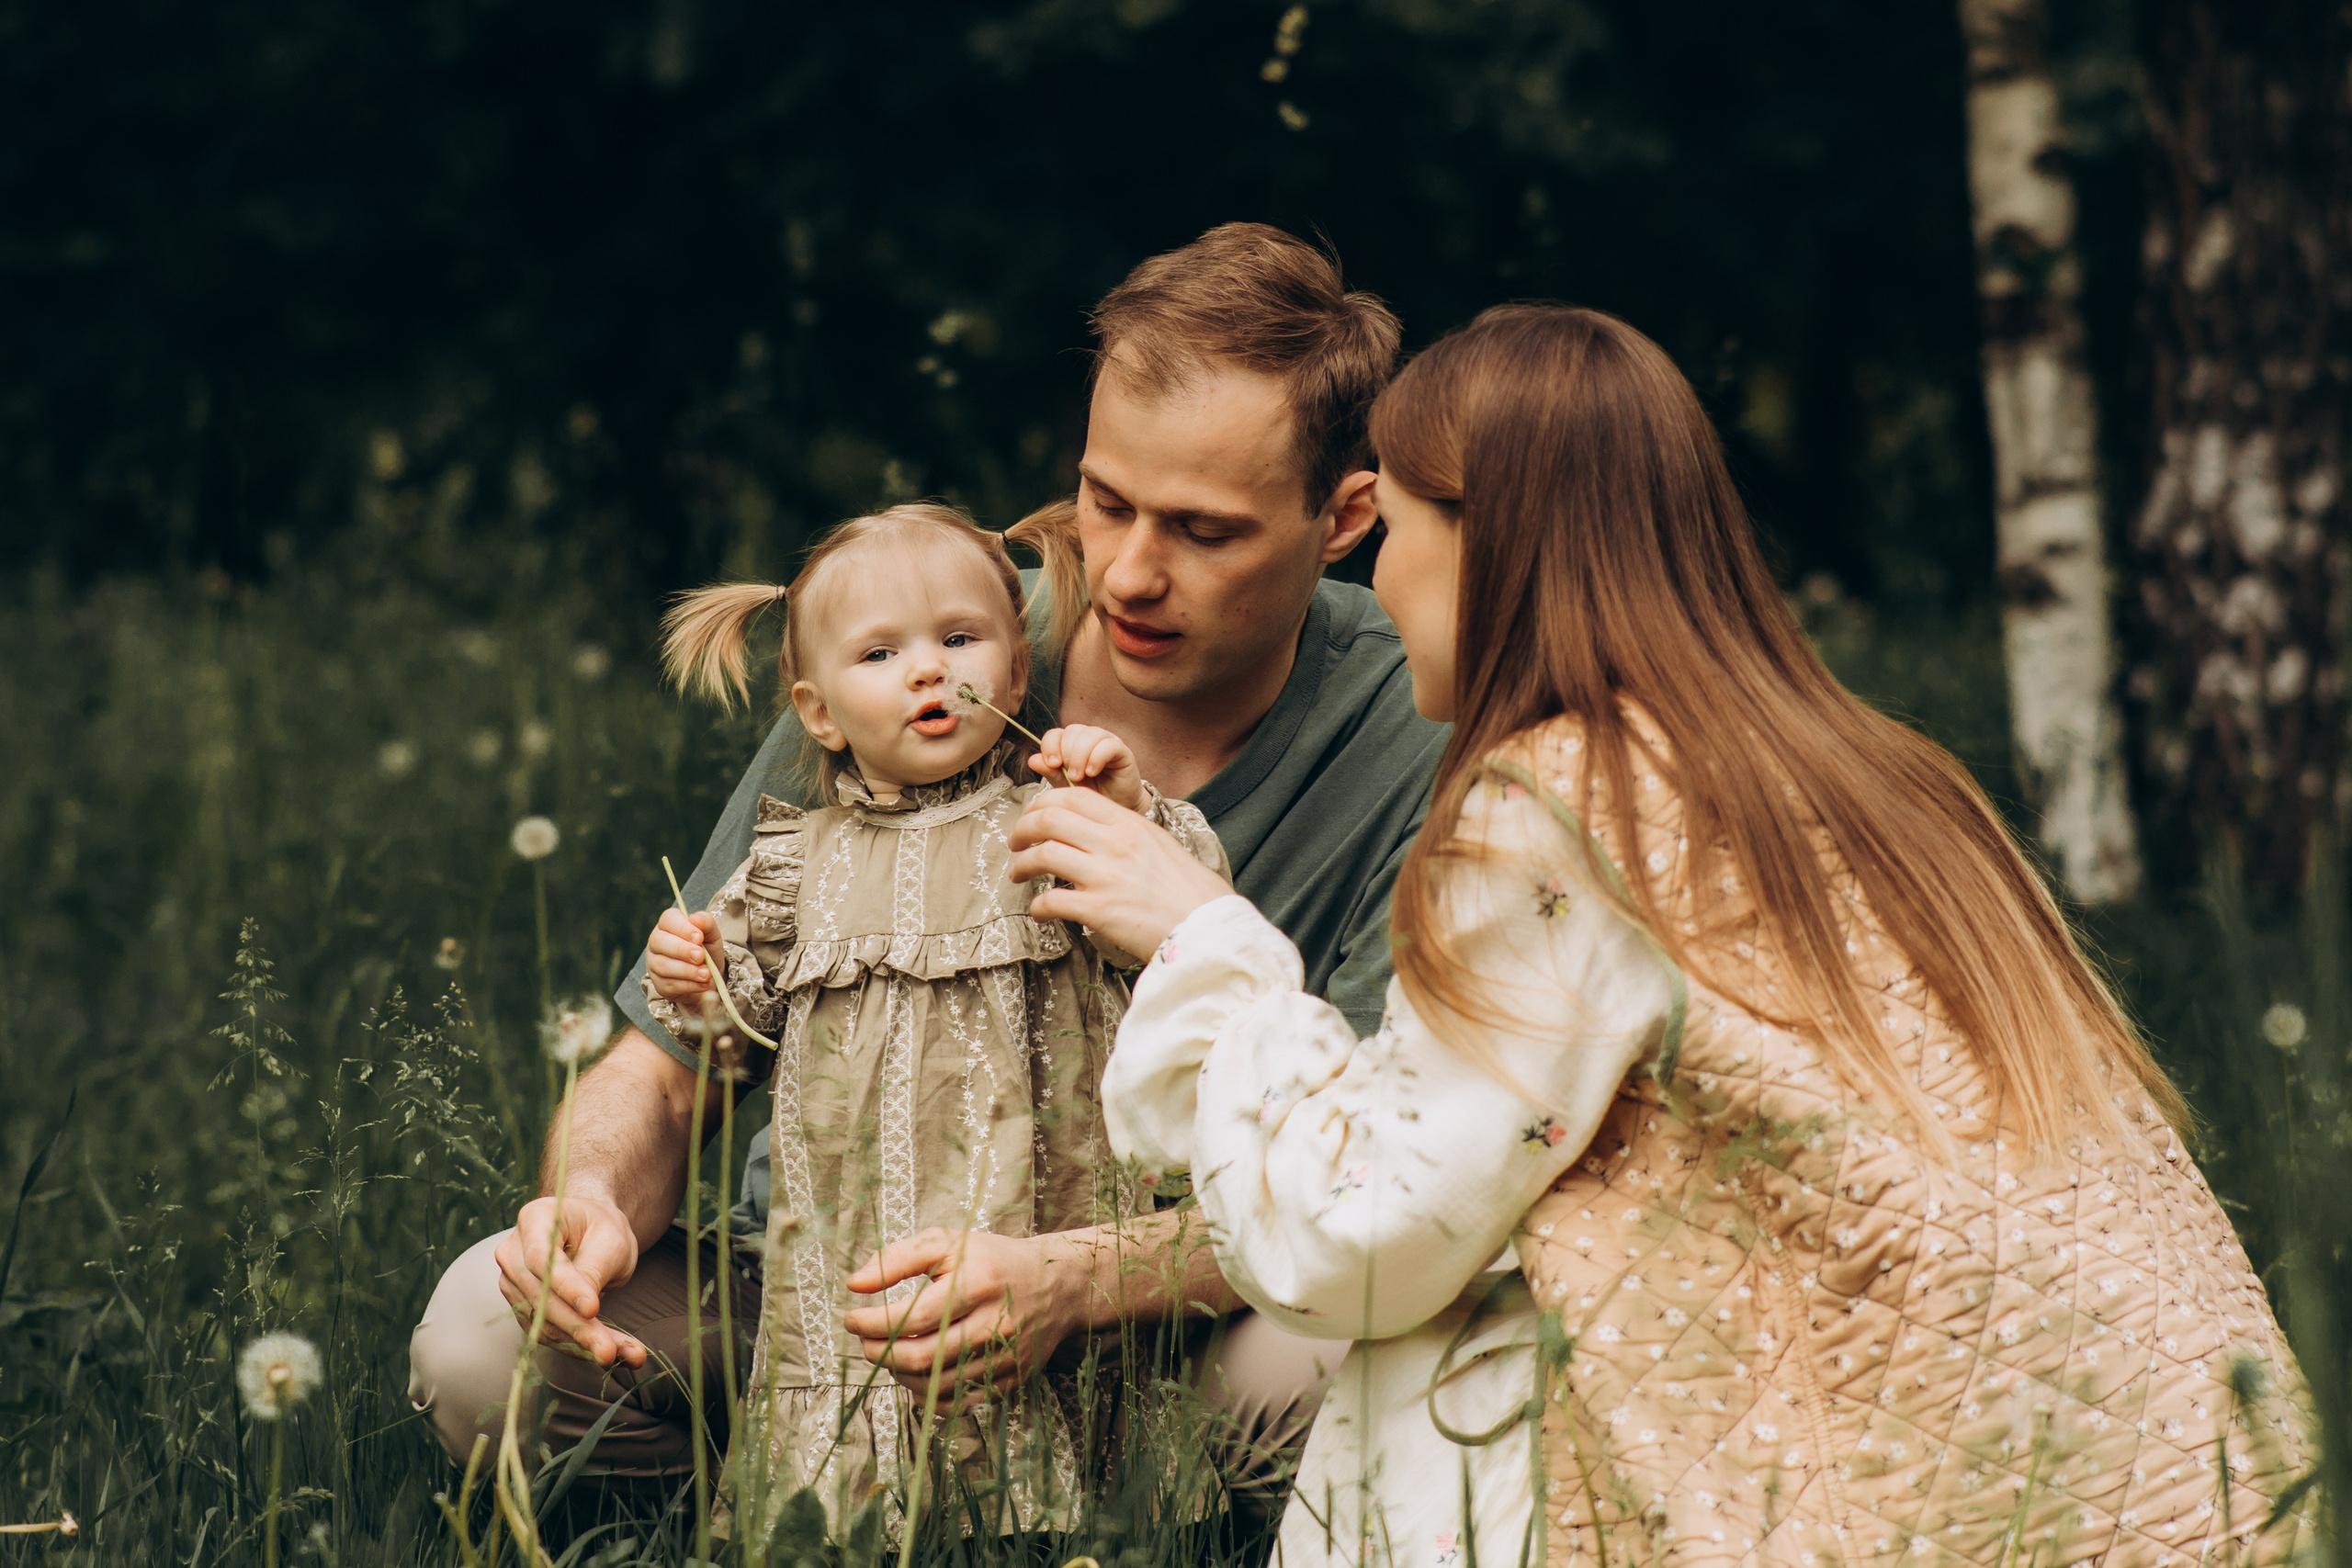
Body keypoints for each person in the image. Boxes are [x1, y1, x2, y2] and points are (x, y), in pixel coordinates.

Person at [1015, 304, 2315, 1566]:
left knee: (1426, 1339)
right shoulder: (1876, 775)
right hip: (2159, 1468)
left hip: (1883, 1499)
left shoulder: (1564, 809)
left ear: (1485, 544)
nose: (1378, 579)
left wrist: (1206, 946)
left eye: (1397, 531)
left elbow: (1362, 1240)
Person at [404, 222, 1452, 1530]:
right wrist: (595, 1200)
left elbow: (1374, 1172)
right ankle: (818, 1477)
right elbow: (671, 1058)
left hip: (1161, 1320)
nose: (1127, 570)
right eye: (1106, 500)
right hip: (813, 1286)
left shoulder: (1422, 723)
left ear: (1344, 517)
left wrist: (1065, 1282)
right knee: (474, 1342)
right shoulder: (917, 644)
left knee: (1361, 1357)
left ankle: (1104, 1513)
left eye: (1202, 529)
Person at [629, 502, 1225, 1545]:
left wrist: (1134, 816)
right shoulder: (790, 865)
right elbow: (739, 1047)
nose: (926, 671)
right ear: (817, 713)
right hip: (851, 1252)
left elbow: (1192, 929)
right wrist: (696, 983)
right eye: (880, 652)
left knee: (1051, 1497)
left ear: (1014, 671)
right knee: (856, 1463)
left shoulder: (1054, 820)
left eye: (958, 639)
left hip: (1031, 1238)